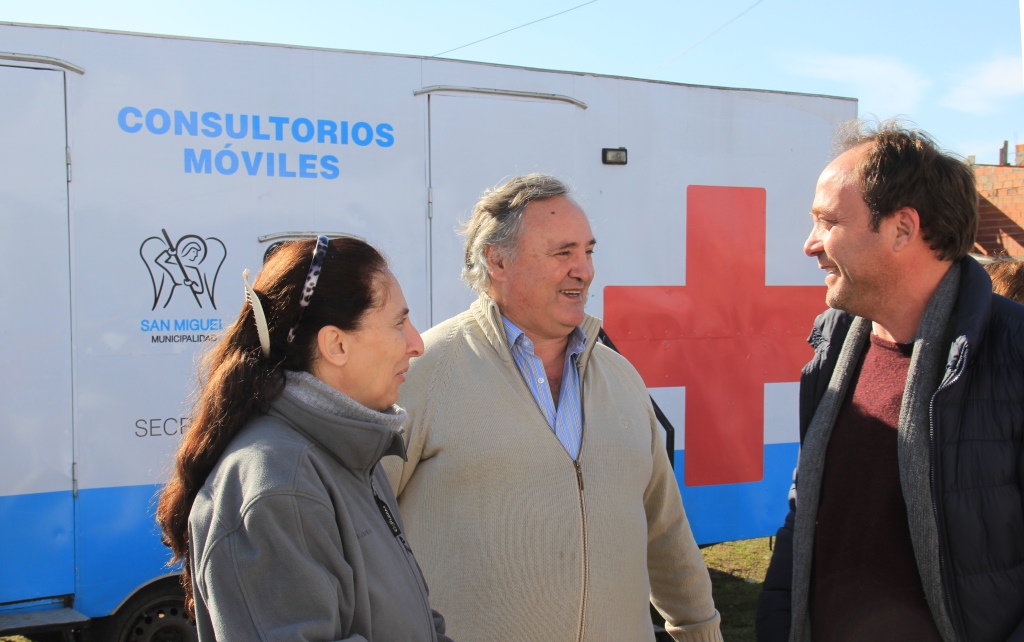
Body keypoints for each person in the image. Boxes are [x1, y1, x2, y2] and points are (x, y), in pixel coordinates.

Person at [383, 174, 722, 641]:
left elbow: (666, 532)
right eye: (563, 253)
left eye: (588, 251)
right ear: (497, 261)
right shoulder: (425, 372)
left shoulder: (621, 378)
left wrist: (700, 632)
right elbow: (361, 535)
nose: (584, 270)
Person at [755, 121, 1024, 642]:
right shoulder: (832, 349)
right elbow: (805, 513)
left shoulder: (1012, 355)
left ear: (903, 228)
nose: (809, 244)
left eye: (827, 222)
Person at [157, 235, 452, 642]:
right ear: (336, 344)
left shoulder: (352, 450)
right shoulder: (281, 482)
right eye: (399, 323)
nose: (417, 344)